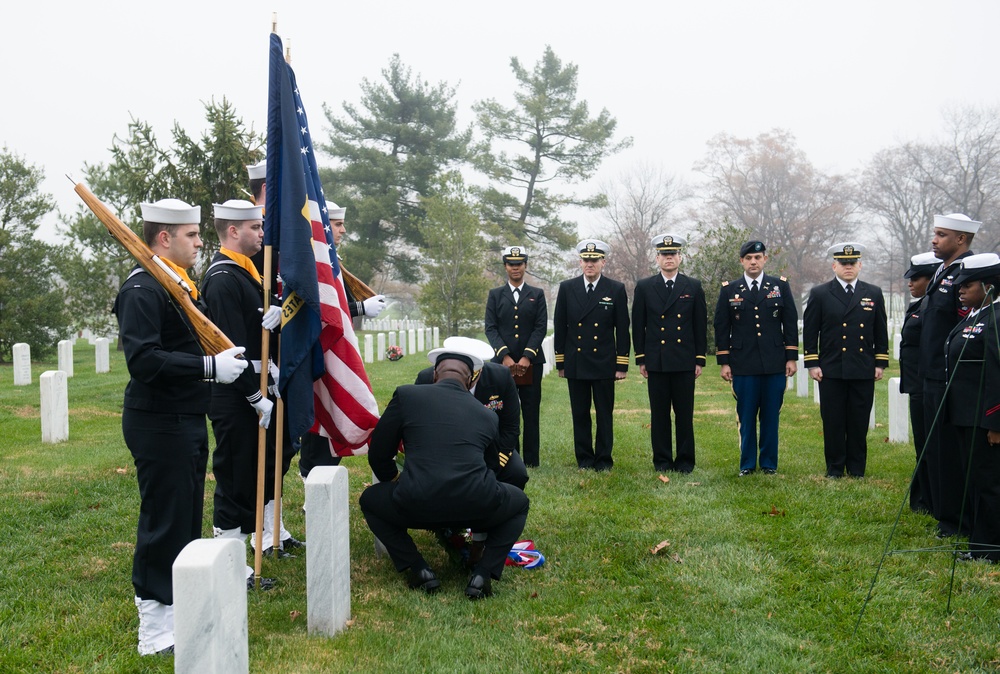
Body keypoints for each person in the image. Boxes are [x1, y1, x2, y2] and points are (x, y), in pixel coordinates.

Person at [113, 198, 248, 655]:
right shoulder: (143, 290)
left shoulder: (176, 284)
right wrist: (210, 368)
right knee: (163, 519)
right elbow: (144, 360)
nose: (199, 242)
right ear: (164, 238)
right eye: (191, 235)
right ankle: (153, 629)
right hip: (157, 420)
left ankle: (178, 609)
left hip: (185, 416)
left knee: (187, 516)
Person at [359, 342, 530, 599]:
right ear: (471, 378)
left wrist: (396, 482)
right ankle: (483, 573)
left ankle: (418, 568)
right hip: (475, 506)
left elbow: (379, 453)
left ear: (435, 374)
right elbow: (491, 466)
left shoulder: (407, 396)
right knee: (519, 503)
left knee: (370, 500)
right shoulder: (487, 416)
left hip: (415, 504)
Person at [201, 199, 287, 585]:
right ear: (233, 231)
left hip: (257, 390)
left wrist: (282, 311)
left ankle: (242, 558)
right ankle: (231, 564)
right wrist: (254, 397)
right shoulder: (222, 277)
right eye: (255, 227)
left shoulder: (250, 272)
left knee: (258, 470)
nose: (262, 234)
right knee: (235, 477)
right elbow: (230, 349)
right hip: (236, 395)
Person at [415, 336, 527, 566]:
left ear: (477, 372)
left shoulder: (500, 377)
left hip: (490, 448)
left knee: (516, 473)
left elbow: (510, 426)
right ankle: (449, 527)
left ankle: (494, 527)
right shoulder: (427, 378)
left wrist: (496, 463)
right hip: (445, 450)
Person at [297, 200, 387, 482]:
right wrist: (360, 308)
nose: (343, 230)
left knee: (333, 416)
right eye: (336, 224)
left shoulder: (332, 262)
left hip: (333, 353)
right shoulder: (314, 263)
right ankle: (312, 479)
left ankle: (321, 475)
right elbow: (323, 310)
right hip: (320, 355)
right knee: (322, 420)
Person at [245, 160, 304, 555]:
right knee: (261, 455)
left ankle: (276, 526)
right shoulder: (254, 241)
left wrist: (285, 313)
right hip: (259, 364)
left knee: (283, 452)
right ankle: (259, 532)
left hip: (287, 359)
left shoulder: (289, 237)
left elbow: (301, 292)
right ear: (260, 193)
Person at [803, 243, 888, 478]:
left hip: (862, 367)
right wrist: (812, 363)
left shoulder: (873, 293)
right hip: (831, 368)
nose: (848, 267)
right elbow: (811, 332)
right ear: (834, 265)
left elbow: (880, 331)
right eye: (843, 263)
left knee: (859, 421)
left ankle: (857, 468)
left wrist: (879, 363)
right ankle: (835, 468)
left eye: (852, 263)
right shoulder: (820, 293)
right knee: (833, 421)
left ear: (860, 265)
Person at [714, 241, 799, 476]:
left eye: (758, 257)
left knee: (771, 416)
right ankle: (748, 464)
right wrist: (724, 362)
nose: (753, 262)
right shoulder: (730, 289)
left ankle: (769, 463)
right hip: (743, 364)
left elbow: (789, 322)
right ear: (741, 261)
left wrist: (791, 358)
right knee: (746, 416)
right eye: (749, 258)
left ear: (765, 259)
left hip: (774, 362)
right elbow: (721, 327)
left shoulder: (779, 286)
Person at [920, 213, 979, 538]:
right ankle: (946, 514)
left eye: (942, 235)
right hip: (932, 375)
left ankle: (958, 519)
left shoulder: (967, 274)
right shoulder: (942, 272)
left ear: (961, 239)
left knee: (951, 450)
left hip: (950, 377)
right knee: (937, 449)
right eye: (935, 234)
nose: (934, 239)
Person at [553, 240, 630, 471]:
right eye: (586, 260)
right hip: (576, 362)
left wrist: (622, 363)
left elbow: (622, 328)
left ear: (603, 262)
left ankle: (604, 460)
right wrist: (561, 361)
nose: (590, 264)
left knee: (605, 414)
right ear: (580, 262)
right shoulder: (567, 288)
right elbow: (560, 326)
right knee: (580, 414)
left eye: (594, 260)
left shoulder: (615, 289)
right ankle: (584, 459)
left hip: (604, 362)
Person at [632, 235, 706, 473]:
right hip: (657, 361)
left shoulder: (692, 286)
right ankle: (662, 461)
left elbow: (699, 325)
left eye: (673, 254)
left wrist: (699, 359)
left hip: (684, 360)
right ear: (657, 258)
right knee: (660, 415)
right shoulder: (645, 287)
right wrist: (641, 358)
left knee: (685, 415)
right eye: (664, 255)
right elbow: (639, 324)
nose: (669, 258)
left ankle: (685, 461)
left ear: (680, 257)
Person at [944, 253, 1000, 562]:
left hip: (984, 418)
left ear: (989, 286)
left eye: (968, 285)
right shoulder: (977, 315)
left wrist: (996, 422)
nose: (960, 290)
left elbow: (997, 373)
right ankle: (980, 541)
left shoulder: (996, 318)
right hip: (966, 416)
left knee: (989, 483)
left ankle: (989, 549)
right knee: (976, 481)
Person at [484, 246, 548, 467]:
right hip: (503, 365)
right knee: (503, 411)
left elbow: (540, 328)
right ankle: (509, 456)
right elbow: (490, 328)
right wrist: (505, 357)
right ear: (505, 267)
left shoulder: (537, 295)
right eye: (511, 264)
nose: (515, 268)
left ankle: (531, 460)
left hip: (531, 363)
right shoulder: (495, 295)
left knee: (531, 412)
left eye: (519, 264)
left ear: (525, 266)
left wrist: (527, 357)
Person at [898, 251, 939, 514]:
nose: (910, 283)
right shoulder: (921, 305)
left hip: (926, 386)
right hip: (917, 386)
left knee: (929, 445)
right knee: (922, 445)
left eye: (916, 278)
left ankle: (929, 499)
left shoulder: (932, 308)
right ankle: (923, 497)